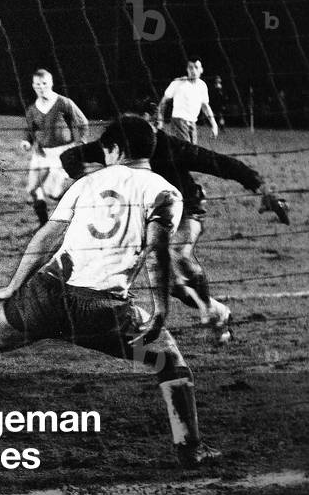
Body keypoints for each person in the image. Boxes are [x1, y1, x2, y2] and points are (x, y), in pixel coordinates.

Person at [0, 115, 221, 469]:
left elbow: (45, 237)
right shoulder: (165, 191)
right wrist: (159, 311)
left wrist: (14, 286)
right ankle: (190, 448)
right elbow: (157, 253)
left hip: (45, 296)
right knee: (169, 360)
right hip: (104, 313)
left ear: (112, 149)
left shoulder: (85, 183)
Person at [61, 102, 289, 344]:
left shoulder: (171, 147)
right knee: (171, 284)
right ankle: (216, 311)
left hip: (188, 207)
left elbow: (220, 163)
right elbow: (70, 157)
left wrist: (263, 189)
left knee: (178, 254)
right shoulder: (118, 143)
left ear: (151, 123)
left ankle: (207, 310)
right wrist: (89, 176)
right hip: (151, 215)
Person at [22, 69, 89, 225]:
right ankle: (44, 224)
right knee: (32, 188)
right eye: (37, 84)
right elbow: (30, 129)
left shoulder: (64, 103)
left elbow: (83, 122)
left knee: (55, 193)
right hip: (42, 154)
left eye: (44, 83)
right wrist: (27, 141)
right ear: (33, 86)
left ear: (51, 83)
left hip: (62, 153)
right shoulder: (32, 109)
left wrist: (81, 142)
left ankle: (72, 218)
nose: (41, 87)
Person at [157, 56, 218, 144]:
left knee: (192, 152)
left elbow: (205, 106)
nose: (193, 70)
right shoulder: (178, 83)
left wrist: (214, 124)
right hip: (178, 122)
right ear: (187, 69)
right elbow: (163, 102)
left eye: (196, 67)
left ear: (201, 70)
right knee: (186, 151)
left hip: (192, 123)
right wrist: (160, 120)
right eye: (190, 67)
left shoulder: (202, 86)